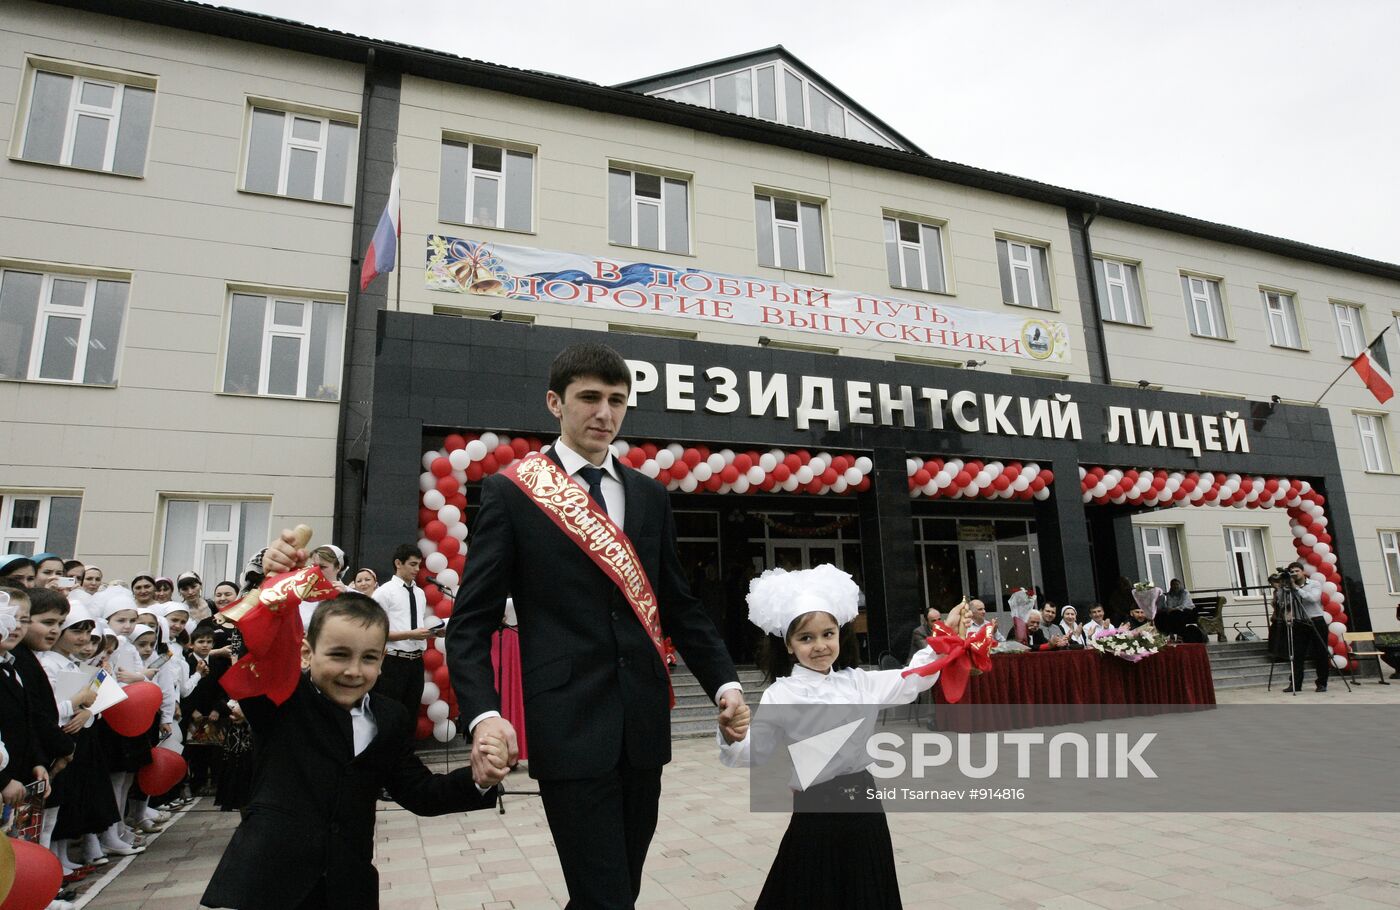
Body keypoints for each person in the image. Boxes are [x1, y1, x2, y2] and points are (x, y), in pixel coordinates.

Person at [441, 342, 746, 908]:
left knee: (616, 890)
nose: (604, 413)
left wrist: (725, 684)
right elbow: (470, 622)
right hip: (568, 722)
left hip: (643, 725)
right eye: (589, 398)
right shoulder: (514, 493)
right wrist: (484, 714)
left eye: (616, 401)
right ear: (555, 403)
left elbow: (678, 603)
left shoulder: (650, 496)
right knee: (604, 893)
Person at [200, 593, 507, 910]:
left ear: (383, 659)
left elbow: (420, 791)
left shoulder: (391, 717)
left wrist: (479, 778)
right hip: (269, 884)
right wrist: (275, 585)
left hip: (348, 886)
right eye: (339, 655)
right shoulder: (282, 698)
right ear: (307, 653)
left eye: (369, 658)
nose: (354, 670)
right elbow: (257, 650)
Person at [720, 566, 968, 909]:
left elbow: (914, 677)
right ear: (789, 646)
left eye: (828, 634)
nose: (820, 646)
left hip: (864, 807)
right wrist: (733, 735)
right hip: (814, 813)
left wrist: (945, 634)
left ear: (840, 635)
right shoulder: (783, 694)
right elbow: (754, 753)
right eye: (806, 638)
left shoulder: (859, 682)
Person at [370, 544, 435, 719]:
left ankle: (407, 747)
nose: (417, 569)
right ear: (398, 563)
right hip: (393, 661)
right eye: (412, 564)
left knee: (411, 712)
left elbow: (416, 623)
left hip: (416, 661)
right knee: (389, 713)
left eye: (419, 565)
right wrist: (410, 634)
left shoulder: (420, 593)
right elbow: (376, 632)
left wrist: (433, 632)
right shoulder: (384, 593)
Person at [1280, 562, 1330, 693]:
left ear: (1303, 572)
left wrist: (1295, 588)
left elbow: (1313, 598)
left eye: (1297, 571)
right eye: (1292, 572)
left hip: (1316, 620)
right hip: (1299, 622)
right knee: (1297, 654)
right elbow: (1282, 603)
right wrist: (1283, 589)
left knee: (1320, 653)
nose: (1294, 574)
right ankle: (1295, 684)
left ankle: (1322, 683)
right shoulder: (1289, 587)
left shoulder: (1314, 584)